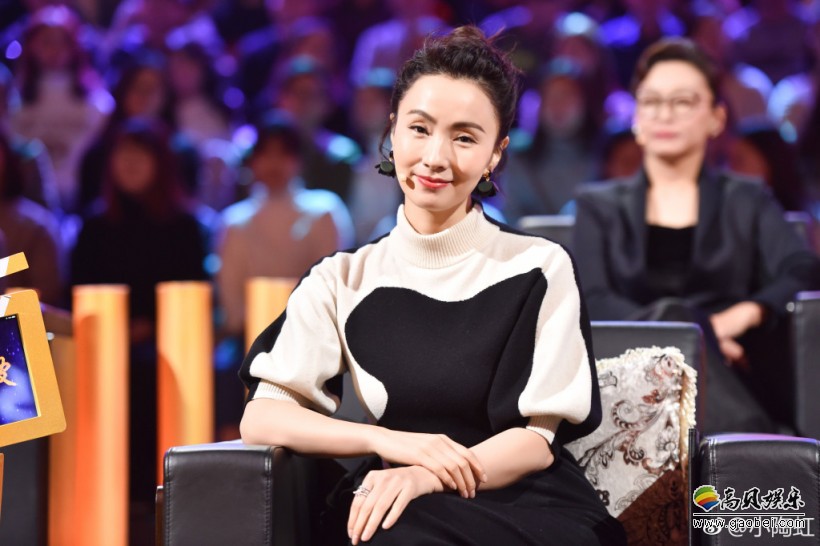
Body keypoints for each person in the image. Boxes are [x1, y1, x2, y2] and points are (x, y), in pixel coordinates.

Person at [240, 26, 625, 545]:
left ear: (495, 154)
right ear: (393, 131)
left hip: (527, 504)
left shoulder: (540, 265)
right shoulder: (342, 278)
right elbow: (262, 418)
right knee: (382, 523)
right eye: (419, 129)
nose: (435, 157)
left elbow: (537, 439)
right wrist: (390, 443)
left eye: (464, 138)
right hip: (399, 494)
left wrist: (428, 475)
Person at [573, 38, 820, 434]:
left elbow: (801, 268)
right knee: (676, 314)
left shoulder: (747, 198)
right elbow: (593, 297)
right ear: (636, 118)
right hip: (629, 379)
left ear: (716, 118)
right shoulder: (597, 206)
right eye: (651, 102)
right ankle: (753, 447)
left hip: (736, 369)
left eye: (683, 102)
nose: (664, 114)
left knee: (680, 318)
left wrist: (743, 315)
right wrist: (691, 334)